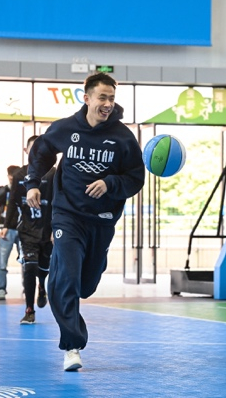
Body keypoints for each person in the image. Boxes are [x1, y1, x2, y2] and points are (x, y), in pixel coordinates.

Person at [24, 73, 145, 371]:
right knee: (66, 277)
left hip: (101, 221)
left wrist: (110, 184)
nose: (107, 103)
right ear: (87, 98)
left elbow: (136, 178)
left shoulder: (123, 138)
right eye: (102, 97)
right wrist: (33, 184)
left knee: (85, 284)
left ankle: (64, 279)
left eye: (111, 98)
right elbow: (41, 152)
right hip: (67, 215)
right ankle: (72, 346)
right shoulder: (66, 128)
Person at [3, 135, 55, 325]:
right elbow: (12, 202)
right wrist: (6, 226)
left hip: (47, 231)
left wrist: (56, 229)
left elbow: (58, 203)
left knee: (43, 268)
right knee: (30, 267)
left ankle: (42, 286)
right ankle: (29, 310)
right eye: (33, 149)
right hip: (26, 231)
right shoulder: (19, 175)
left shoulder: (53, 174)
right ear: (26, 151)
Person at [0, 165, 21, 301]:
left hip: (21, 229)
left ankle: (27, 287)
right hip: (7, 230)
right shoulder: (5, 190)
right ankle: (1, 288)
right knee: (2, 262)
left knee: (26, 261)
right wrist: (9, 187)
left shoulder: (22, 189)